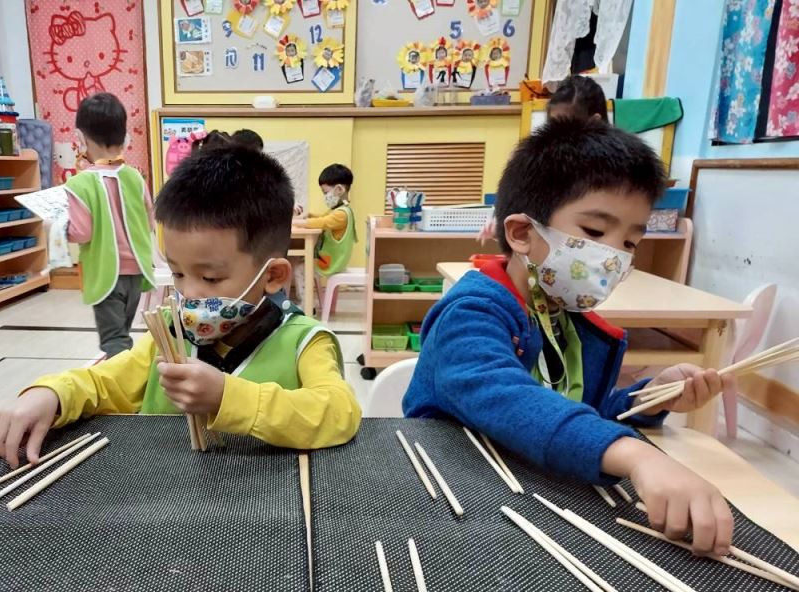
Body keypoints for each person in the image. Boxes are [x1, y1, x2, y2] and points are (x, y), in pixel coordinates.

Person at [404, 120, 735, 556]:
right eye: (596, 233)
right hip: (450, 500)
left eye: (630, 243)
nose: (613, 255)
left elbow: (576, 413)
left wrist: (645, 400)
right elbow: (507, 398)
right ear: (522, 233)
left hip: (537, 497)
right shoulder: (472, 312)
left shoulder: (569, 318)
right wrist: (636, 455)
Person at [0, 146, 361, 466]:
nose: (190, 293)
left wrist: (227, 397)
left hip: (266, 506)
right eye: (178, 273)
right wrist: (52, 394)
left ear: (274, 276)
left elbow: (338, 411)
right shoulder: (169, 331)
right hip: (161, 499)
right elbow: (106, 383)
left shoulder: (303, 342)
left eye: (211, 278)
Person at [66, 93, 156, 359]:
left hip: (107, 274)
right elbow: (149, 221)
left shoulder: (79, 184)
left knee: (114, 340)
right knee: (122, 333)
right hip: (137, 271)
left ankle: (123, 379)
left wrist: (56, 227)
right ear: (124, 136)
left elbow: (81, 233)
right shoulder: (135, 177)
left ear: (80, 138)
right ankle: (125, 368)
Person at [478, 75, 610, 245]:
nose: (560, 136)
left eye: (567, 127)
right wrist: (502, 224)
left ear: (595, 122)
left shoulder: (610, 166)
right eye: (553, 126)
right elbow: (522, 201)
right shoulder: (545, 156)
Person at [293, 164, 357, 278]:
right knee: (301, 262)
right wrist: (310, 215)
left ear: (339, 189)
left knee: (299, 268)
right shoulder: (341, 210)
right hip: (333, 260)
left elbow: (322, 222)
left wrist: (294, 222)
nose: (325, 196)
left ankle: (306, 291)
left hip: (331, 262)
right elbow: (324, 218)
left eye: (326, 192)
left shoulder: (341, 214)